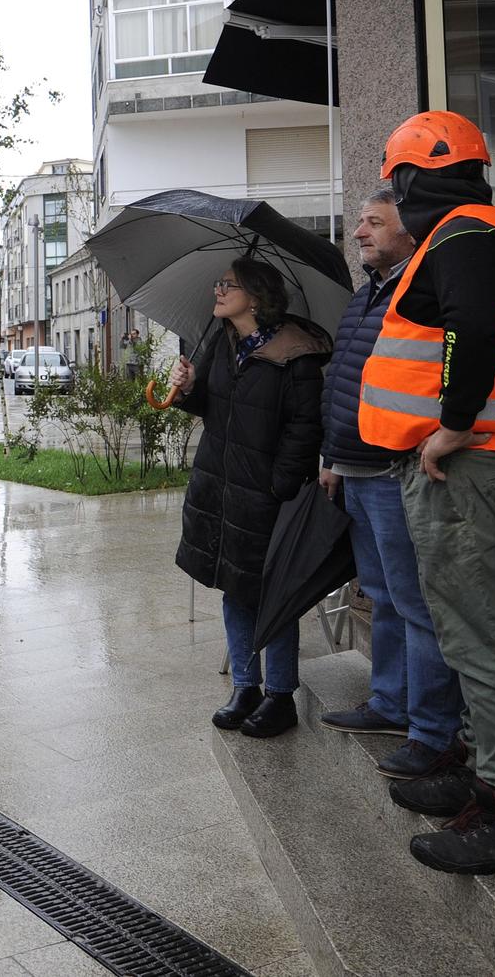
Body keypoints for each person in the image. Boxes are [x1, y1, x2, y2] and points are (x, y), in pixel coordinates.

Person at [359, 110, 495, 876]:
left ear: (415, 179)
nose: (393, 195)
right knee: (470, 635)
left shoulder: (465, 235)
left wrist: (454, 424)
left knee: (485, 644)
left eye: (395, 182)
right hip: (491, 465)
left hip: (468, 470)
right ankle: (482, 775)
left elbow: (472, 330)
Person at [317, 189, 462, 779]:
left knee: (415, 602)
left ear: (410, 233)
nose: (359, 232)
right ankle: (389, 701)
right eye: (359, 223)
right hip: (353, 466)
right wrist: (330, 453)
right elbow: (346, 380)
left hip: (394, 468)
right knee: (378, 595)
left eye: (375, 223)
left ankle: (431, 729)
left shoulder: (420, 292)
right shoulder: (366, 296)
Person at [168, 259, 331, 739]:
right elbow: (216, 409)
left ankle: (280, 695)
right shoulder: (225, 341)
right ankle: (246, 687)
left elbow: (305, 429)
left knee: (271, 593)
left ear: (255, 297)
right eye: (219, 282)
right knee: (233, 585)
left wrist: (277, 486)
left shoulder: (295, 353)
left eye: (228, 284)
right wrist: (189, 389)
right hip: (219, 486)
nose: (217, 291)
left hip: (265, 493)